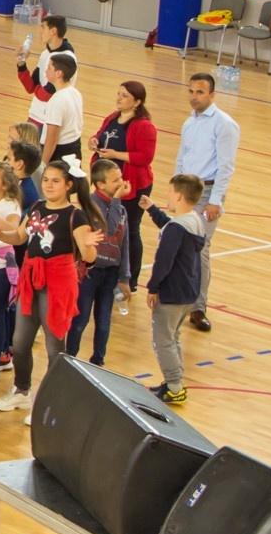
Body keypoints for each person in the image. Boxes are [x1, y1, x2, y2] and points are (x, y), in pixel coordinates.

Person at [0, 158, 99, 417]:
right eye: (46, 179)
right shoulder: (37, 206)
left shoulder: (76, 216)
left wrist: (89, 246)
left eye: (55, 181)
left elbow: (89, 257)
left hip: (57, 283)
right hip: (31, 279)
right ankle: (21, 391)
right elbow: (20, 237)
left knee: (54, 345)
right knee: (19, 342)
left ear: (69, 185)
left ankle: (53, 403)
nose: (48, 185)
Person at [172, 72, 238, 334]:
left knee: (200, 250)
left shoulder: (224, 124)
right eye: (191, 91)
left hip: (207, 191)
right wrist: (175, 191)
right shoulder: (189, 123)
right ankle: (180, 299)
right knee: (180, 246)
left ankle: (198, 308)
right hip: (185, 191)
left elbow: (226, 166)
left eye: (200, 92)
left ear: (212, 94)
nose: (194, 97)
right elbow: (182, 157)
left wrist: (216, 201)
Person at [142, 175, 207, 406]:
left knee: (163, 341)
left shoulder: (176, 229)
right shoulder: (194, 220)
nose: (167, 196)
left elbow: (164, 261)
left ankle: (175, 387)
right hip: (189, 291)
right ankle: (174, 382)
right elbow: (171, 227)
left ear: (179, 196)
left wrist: (153, 287)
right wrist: (152, 210)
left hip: (172, 293)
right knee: (173, 337)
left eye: (170, 192)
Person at [90, 80, 156, 302]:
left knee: (129, 230)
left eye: (125, 95)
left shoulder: (144, 126)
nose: (119, 98)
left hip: (131, 184)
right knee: (105, 226)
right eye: (118, 94)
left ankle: (130, 279)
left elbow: (144, 157)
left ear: (137, 102)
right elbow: (100, 135)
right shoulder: (112, 117)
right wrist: (93, 141)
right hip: (107, 184)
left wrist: (115, 155)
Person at [66, 158, 129, 366]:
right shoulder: (90, 206)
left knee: (103, 322)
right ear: (100, 184)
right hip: (89, 272)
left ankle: (98, 361)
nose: (121, 183)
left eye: (120, 178)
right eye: (115, 180)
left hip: (110, 274)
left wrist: (124, 277)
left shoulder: (121, 209)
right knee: (80, 320)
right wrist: (117, 201)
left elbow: (124, 244)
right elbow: (108, 229)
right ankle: (69, 359)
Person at [18, 14, 77, 128]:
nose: (40, 32)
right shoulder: (45, 54)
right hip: (35, 114)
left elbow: (47, 94)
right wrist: (21, 64)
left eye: (43, 27)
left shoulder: (66, 58)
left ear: (53, 31)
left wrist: (38, 90)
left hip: (50, 119)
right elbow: (30, 87)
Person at [37, 53, 84, 166]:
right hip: (74, 148)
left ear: (59, 73)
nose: (46, 71)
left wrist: (43, 164)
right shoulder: (75, 92)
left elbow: (52, 139)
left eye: (49, 68)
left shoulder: (57, 100)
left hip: (60, 153)